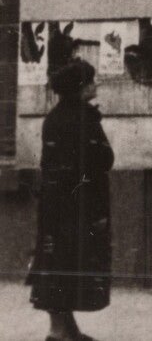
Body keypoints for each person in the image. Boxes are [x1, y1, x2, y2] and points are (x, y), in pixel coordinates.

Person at [28, 59, 113, 341]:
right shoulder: (83, 118)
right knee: (68, 264)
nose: (95, 84)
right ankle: (58, 334)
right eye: (91, 80)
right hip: (79, 206)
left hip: (54, 206)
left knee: (55, 264)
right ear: (80, 87)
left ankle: (67, 329)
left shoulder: (53, 117)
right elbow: (101, 160)